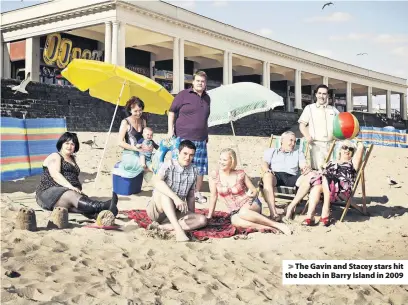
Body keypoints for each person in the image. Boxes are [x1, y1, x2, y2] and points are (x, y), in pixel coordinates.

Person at [208, 149, 291, 235]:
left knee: (243, 212)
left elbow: (254, 190)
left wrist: (252, 195)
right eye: (220, 159)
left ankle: (277, 225)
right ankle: (267, 227)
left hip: (250, 203)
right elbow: (213, 196)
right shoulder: (214, 175)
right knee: (235, 221)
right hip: (234, 210)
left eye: (224, 160)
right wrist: (210, 216)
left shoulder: (240, 174)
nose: (221, 162)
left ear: (232, 161)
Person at [36, 132, 118, 218]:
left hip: (67, 193)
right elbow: (55, 174)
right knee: (71, 195)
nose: (69, 146)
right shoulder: (55, 156)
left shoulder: (72, 159)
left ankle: (100, 214)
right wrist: (70, 186)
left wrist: (76, 188)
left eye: (72, 144)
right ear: (61, 144)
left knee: (80, 204)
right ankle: (104, 206)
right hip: (48, 192)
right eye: (67, 143)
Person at [147, 140, 208, 242]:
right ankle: (179, 231)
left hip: (176, 211)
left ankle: (165, 227)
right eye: (185, 153)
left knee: (202, 220)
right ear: (178, 153)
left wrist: (191, 215)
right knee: (164, 192)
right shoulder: (169, 164)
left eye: (191, 155)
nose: (188, 158)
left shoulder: (194, 170)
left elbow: (190, 196)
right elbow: (156, 181)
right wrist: (175, 198)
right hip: (157, 210)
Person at [167, 71, 210, 204]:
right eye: (198, 81)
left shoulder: (207, 98)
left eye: (202, 81)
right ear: (193, 82)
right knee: (178, 164)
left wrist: (206, 134)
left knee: (200, 167)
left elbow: (205, 118)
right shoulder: (183, 95)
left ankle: (196, 192)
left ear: (205, 84)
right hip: (183, 136)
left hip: (201, 138)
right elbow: (171, 112)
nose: (200, 83)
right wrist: (170, 131)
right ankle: (174, 191)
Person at [301, 140, 364, 226]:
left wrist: (358, 140)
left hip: (342, 190)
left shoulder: (352, 163)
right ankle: (310, 216)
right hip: (327, 187)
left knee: (326, 176)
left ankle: (325, 211)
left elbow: (360, 148)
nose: (347, 150)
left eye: (351, 149)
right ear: (340, 150)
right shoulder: (331, 162)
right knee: (317, 186)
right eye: (344, 147)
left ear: (353, 152)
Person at [262, 131, 313, 220]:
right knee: (267, 176)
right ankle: (273, 213)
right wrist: (267, 169)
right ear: (282, 140)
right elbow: (264, 163)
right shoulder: (272, 151)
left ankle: (290, 206)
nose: (293, 143)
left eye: (294, 141)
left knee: (309, 177)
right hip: (276, 175)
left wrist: (306, 167)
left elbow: (302, 164)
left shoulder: (298, 152)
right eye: (291, 140)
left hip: (292, 177)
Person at [299, 84, 340, 170]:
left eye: (324, 94)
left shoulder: (333, 109)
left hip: (331, 146)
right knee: (318, 171)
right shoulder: (309, 108)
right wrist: (307, 136)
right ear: (316, 94)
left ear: (327, 95)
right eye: (320, 93)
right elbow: (302, 125)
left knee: (331, 171)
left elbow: (341, 124)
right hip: (316, 146)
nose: (322, 96)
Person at [118, 97, 158, 178]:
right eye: (135, 111)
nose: (138, 113)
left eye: (140, 110)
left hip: (143, 152)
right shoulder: (125, 122)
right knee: (145, 165)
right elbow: (120, 142)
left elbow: (146, 137)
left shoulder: (143, 121)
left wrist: (151, 145)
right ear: (130, 110)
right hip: (130, 153)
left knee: (157, 163)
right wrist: (135, 148)